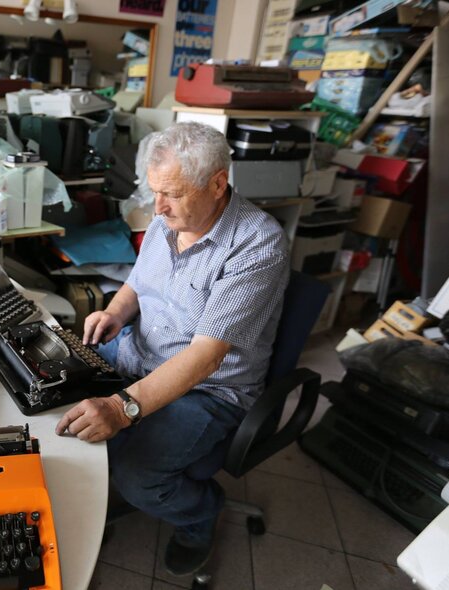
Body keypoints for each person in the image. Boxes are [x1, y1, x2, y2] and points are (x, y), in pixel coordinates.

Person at [54, 122, 290, 576]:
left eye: (173, 194)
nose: (158, 207)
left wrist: (122, 409)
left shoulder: (257, 244)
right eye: (154, 191)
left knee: (137, 475)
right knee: (53, 381)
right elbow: (139, 282)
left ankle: (200, 516)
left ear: (218, 182)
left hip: (210, 388)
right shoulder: (169, 220)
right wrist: (117, 313)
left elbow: (206, 356)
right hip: (139, 352)